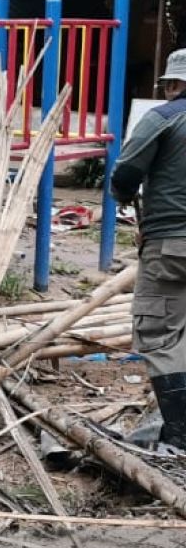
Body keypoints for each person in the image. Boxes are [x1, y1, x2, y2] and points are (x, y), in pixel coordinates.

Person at [112, 47, 186, 449]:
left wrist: (122, 195)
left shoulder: (163, 117)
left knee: (161, 334)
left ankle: (180, 437)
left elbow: (125, 173)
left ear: (174, 84)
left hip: (172, 246)